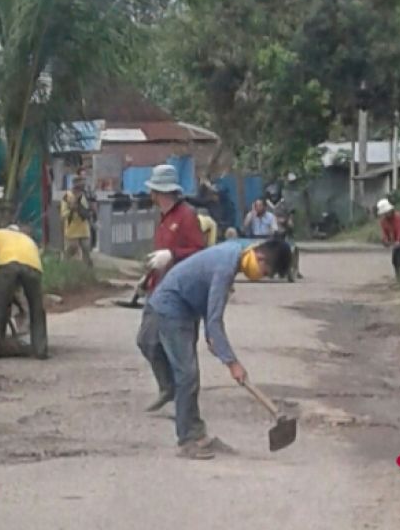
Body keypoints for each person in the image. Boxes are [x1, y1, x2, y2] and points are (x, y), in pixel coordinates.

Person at [137, 238, 294, 459]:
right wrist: (233, 363)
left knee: (181, 369)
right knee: (187, 375)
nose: (263, 277)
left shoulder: (240, 249)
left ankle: (198, 434)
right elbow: (214, 322)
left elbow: (212, 322)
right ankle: (189, 440)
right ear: (260, 257)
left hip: (185, 306)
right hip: (172, 307)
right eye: (266, 272)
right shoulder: (225, 268)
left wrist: (218, 344)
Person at [125, 164, 206, 308]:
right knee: (148, 330)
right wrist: (148, 279)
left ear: (160, 192)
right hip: (158, 291)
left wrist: (173, 255)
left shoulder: (186, 215)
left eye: (152, 190)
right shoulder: (164, 217)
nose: (150, 194)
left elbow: (200, 252)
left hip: (179, 295)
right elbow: (160, 259)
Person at [0, 224, 48, 360]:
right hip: (34, 267)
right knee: (37, 309)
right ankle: (41, 350)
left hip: (8, 265)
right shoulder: (26, 239)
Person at [60, 176, 93, 267]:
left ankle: (88, 271)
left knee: (86, 250)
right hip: (72, 230)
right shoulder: (67, 197)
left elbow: (89, 211)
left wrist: (81, 209)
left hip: (84, 230)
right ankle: (63, 268)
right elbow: (63, 214)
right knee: (70, 250)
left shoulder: (85, 196)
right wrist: (71, 209)